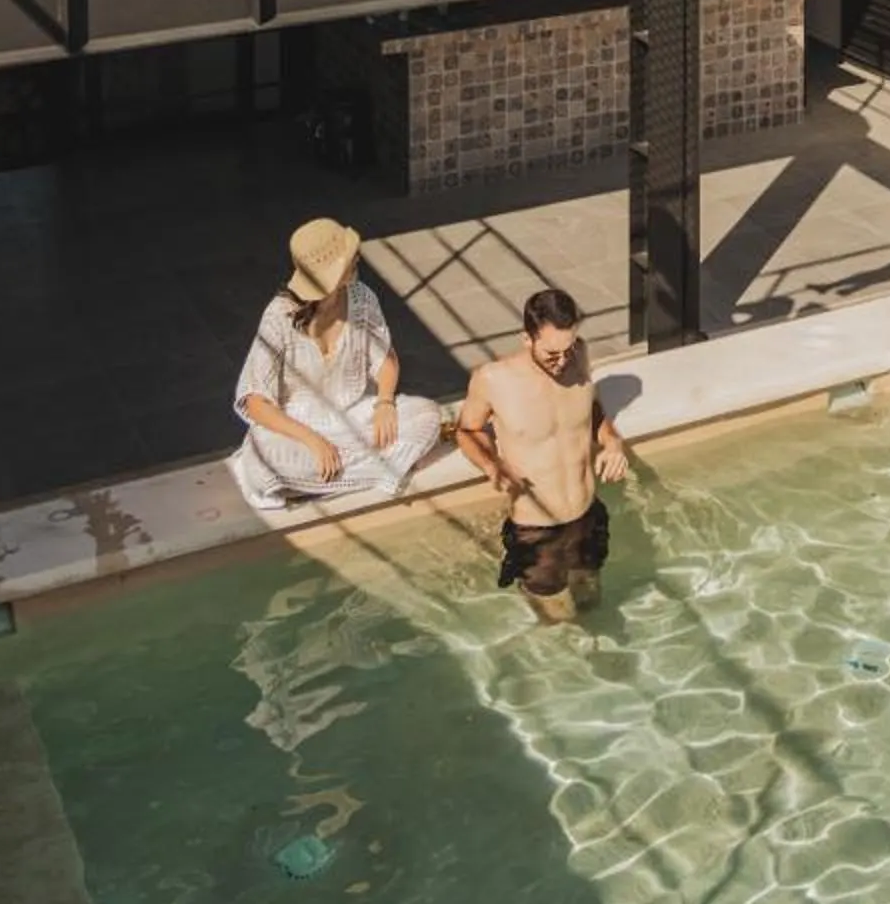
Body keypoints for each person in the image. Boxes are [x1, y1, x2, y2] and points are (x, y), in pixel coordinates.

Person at [229, 217, 444, 509]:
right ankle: (378, 469)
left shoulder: (362, 298)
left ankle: (334, 477)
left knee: (426, 414)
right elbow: (255, 402)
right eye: (350, 256)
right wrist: (312, 441)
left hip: (355, 414)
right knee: (265, 462)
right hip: (297, 429)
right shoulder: (279, 316)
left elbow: (386, 360)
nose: (358, 257)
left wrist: (384, 403)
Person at [455, 285, 632, 621]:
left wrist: (612, 442)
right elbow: (466, 430)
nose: (563, 361)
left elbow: (590, 409)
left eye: (569, 349)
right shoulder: (494, 379)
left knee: (593, 603)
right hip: (536, 530)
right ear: (527, 338)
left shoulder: (578, 355)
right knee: (559, 621)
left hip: (586, 515)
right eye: (552, 353)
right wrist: (491, 464)